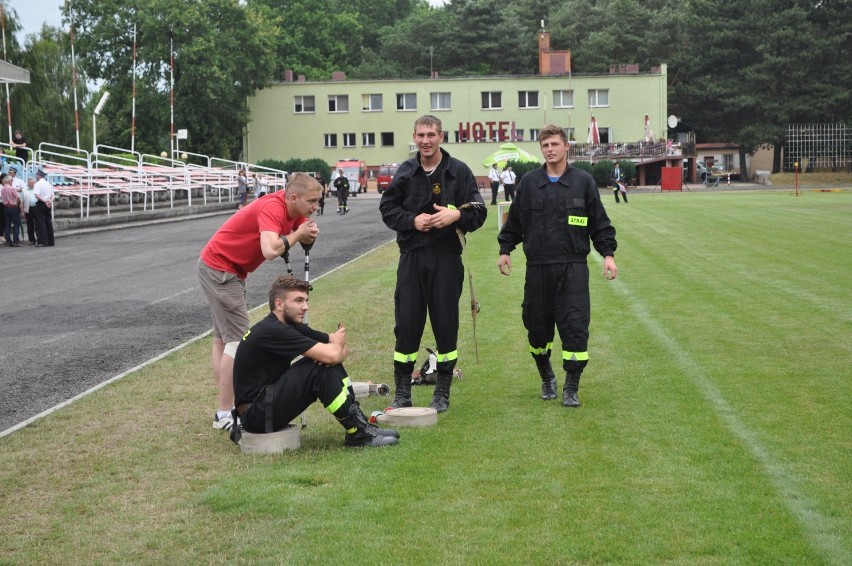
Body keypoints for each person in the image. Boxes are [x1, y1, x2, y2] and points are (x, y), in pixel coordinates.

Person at [497, 124, 618, 408]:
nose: (550, 149)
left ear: (566, 146)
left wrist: (608, 255)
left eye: (554, 144)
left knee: (575, 327)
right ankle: (546, 376)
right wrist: (505, 249)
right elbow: (514, 222)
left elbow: (600, 223)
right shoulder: (528, 183)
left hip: (573, 269)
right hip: (537, 269)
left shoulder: (583, 182)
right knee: (537, 329)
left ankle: (571, 387)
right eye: (545, 145)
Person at [198, 172, 322, 432]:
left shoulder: (293, 213)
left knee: (223, 338)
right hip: (221, 269)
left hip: (226, 268)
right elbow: (269, 250)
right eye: (312, 201)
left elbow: (299, 236)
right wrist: (298, 233)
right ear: (293, 197)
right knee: (238, 339)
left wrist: (306, 234)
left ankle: (225, 407)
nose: (315, 207)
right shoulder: (272, 207)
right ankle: (224, 413)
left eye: (317, 201)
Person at [379, 114, 487, 413]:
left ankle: (442, 392)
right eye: (421, 135)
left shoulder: (459, 172)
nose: (426, 141)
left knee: (445, 324)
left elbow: (479, 210)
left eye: (431, 135)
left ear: (441, 137)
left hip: (446, 258)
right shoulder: (406, 172)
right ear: (415, 137)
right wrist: (412, 220)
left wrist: (457, 216)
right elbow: (387, 209)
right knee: (407, 324)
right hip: (412, 256)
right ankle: (403, 392)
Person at [233, 275, 399, 447]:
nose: (306, 307)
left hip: (265, 405)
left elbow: (339, 351)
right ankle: (358, 432)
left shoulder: (291, 327)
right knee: (317, 367)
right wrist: (334, 348)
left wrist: (334, 347)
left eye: (306, 300)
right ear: (279, 304)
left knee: (324, 362)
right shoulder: (273, 330)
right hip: (256, 416)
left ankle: (360, 427)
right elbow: (334, 352)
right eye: (298, 300)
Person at [33, 169, 55, 247]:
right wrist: (49, 202)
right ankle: (51, 241)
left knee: (41, 223)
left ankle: (43, 241)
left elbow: (36, 195)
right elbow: (53, 195)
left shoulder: (38, 184)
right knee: (48, 222)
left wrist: (45, 201)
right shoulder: (48, 184)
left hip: (41, 203)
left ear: (38, 176)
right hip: (48, 203)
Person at [1, 174, 23, 247]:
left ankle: (8, 241)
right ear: (8, 181)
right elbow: (18, 198)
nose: (12, 181)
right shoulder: (12, 189)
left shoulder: (3, 189)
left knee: (7, 225)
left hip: (6, 207)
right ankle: (15, 241)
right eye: (11, 180)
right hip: (13, 207)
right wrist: (19, 204)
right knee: (16, 225)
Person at [23, 176, 38, 245]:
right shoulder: (25, 190)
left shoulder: (37, 189)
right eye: (29, 183)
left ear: (34, 183)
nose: (30, 184)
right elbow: (22, 200)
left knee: (38, 224)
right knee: (29, 225)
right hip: (28, 208)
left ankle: (39, 238)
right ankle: (31, 239)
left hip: (36, 208)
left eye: (32, 182)